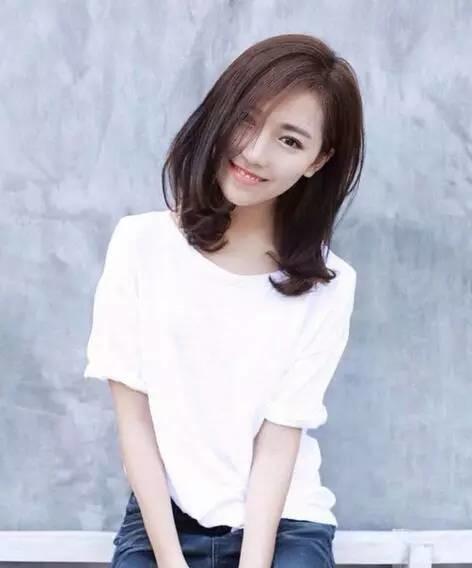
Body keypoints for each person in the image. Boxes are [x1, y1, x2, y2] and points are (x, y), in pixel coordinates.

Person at [83, 33, 364, 568]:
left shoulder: (330, 284)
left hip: (284, 523)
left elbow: (279, 441)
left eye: (289, 140)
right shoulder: (140, 245)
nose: (255, 152)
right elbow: (134, 423)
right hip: (163, 521)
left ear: (317, 160)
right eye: (246, 120)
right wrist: (171, 561)